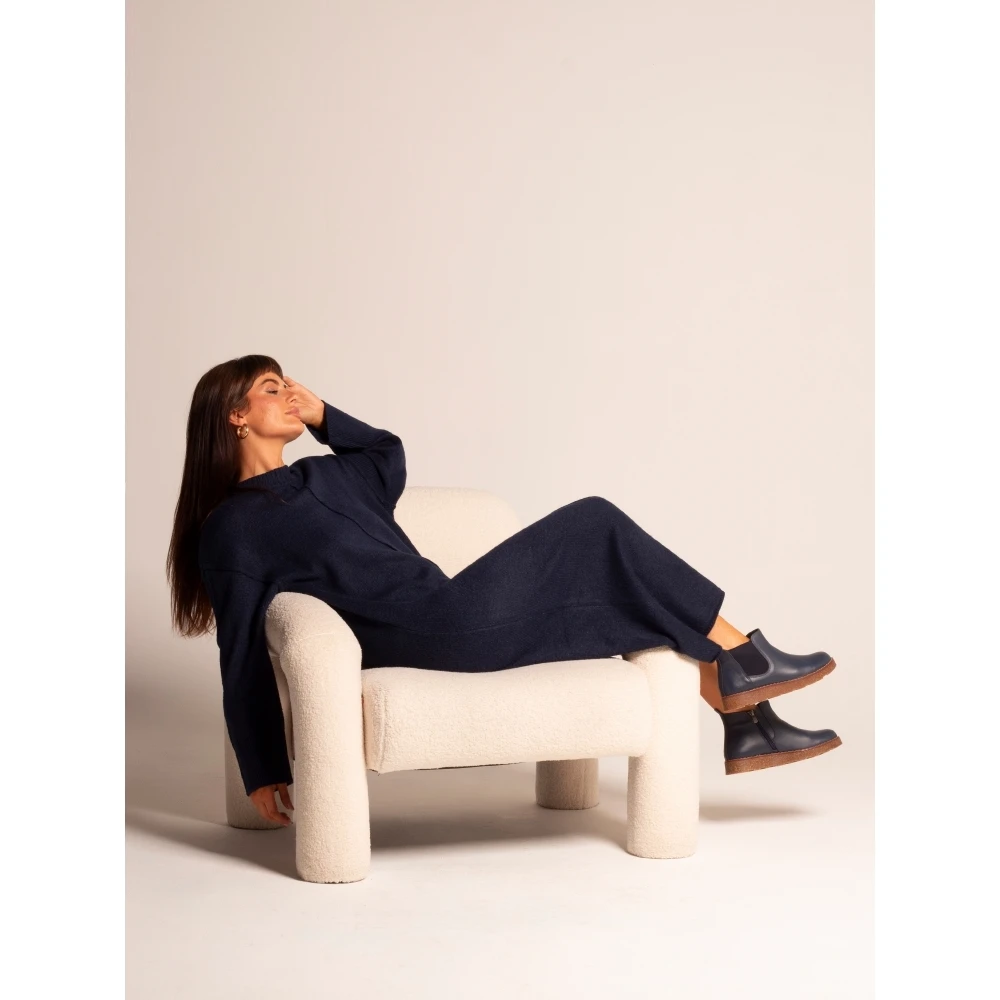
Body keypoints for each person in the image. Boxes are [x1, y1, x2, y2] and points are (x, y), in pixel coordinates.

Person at [167, 355, 842, 827]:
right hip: (427, 632)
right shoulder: (235, 527)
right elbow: (242, 652)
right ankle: (744, 661)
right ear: (235, 415)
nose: (291, 394)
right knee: (594, 521)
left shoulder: (330, 476)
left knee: (625, 596)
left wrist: (324, 416)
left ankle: (744, 720)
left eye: (292, 386)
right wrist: (262, 767)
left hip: (452, 608)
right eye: (273, 388)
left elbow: (385, 454)